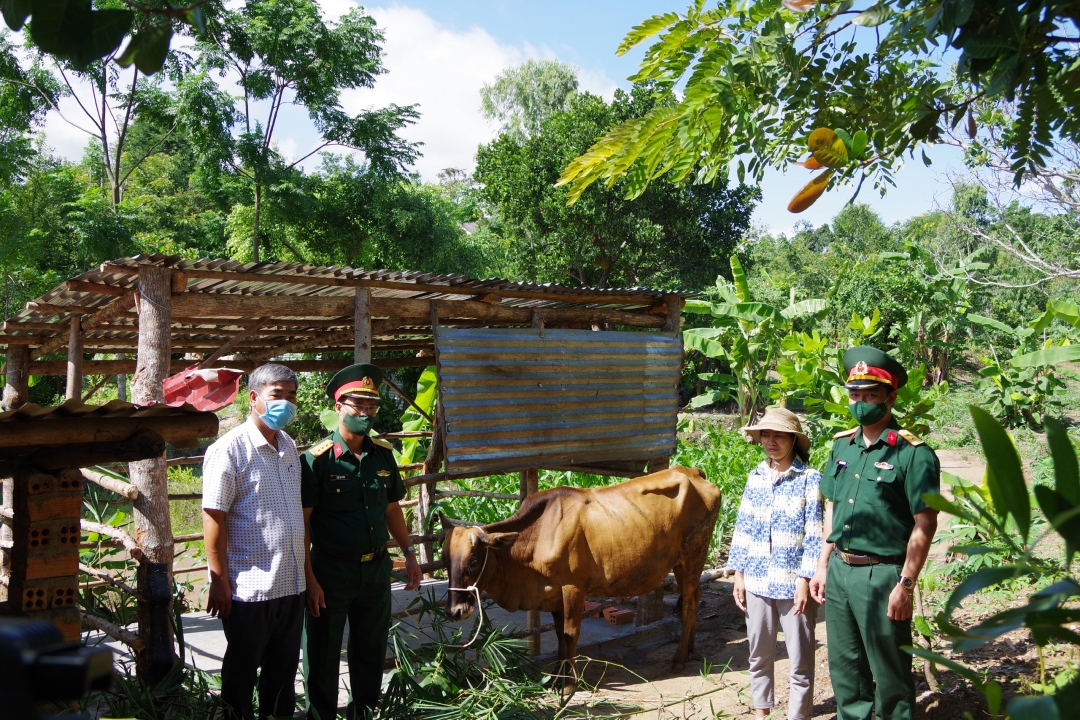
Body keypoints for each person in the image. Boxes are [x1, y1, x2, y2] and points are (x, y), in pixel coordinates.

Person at [809, 347, 940, 720]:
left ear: (890, 397)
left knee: (890, 671)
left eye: (870, 396)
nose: (861, 403)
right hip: (839, 570)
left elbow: (925, 523)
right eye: (855, 395)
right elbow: (833, 507)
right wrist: (822, 566)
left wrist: (906, 584)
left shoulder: (914, 454)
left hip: (883, 574)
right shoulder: (841, 445)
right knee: (846, 667)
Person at [301, 363, 423, 720]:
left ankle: (365, 713)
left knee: (370, 648)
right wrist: (310, 579)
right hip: (330, 571)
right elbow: (303, 525)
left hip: (375, 568)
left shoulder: (382, 454)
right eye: (358, 405)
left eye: (372, 406)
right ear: (339, 407)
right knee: (322, 652)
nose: (366, 413)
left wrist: (410, 554)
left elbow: (391, 508)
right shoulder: (317, 460)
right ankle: (320, 716)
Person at [202, 363, 306, 720]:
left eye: (292, 396)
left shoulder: (289, 446)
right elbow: (213, 515)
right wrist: (219, 580)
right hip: (249, 587)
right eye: (278, 395)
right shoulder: (229, 449)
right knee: (242, 674)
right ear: (254, 397)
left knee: (282, 675)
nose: (287, 403)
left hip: (290, 585)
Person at [729, 406, 823, 720]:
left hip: (793, 583)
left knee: (800, 661)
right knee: (758, 654)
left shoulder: (810, 479)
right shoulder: (755, 477)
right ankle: (761, 713)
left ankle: (798, 716)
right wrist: (738, 574)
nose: (772, 441)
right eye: (766, 435)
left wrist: (804, 579)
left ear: (793, 440)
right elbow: (743, 526)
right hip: (756, 579)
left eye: (779, 435)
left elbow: (815, 533)